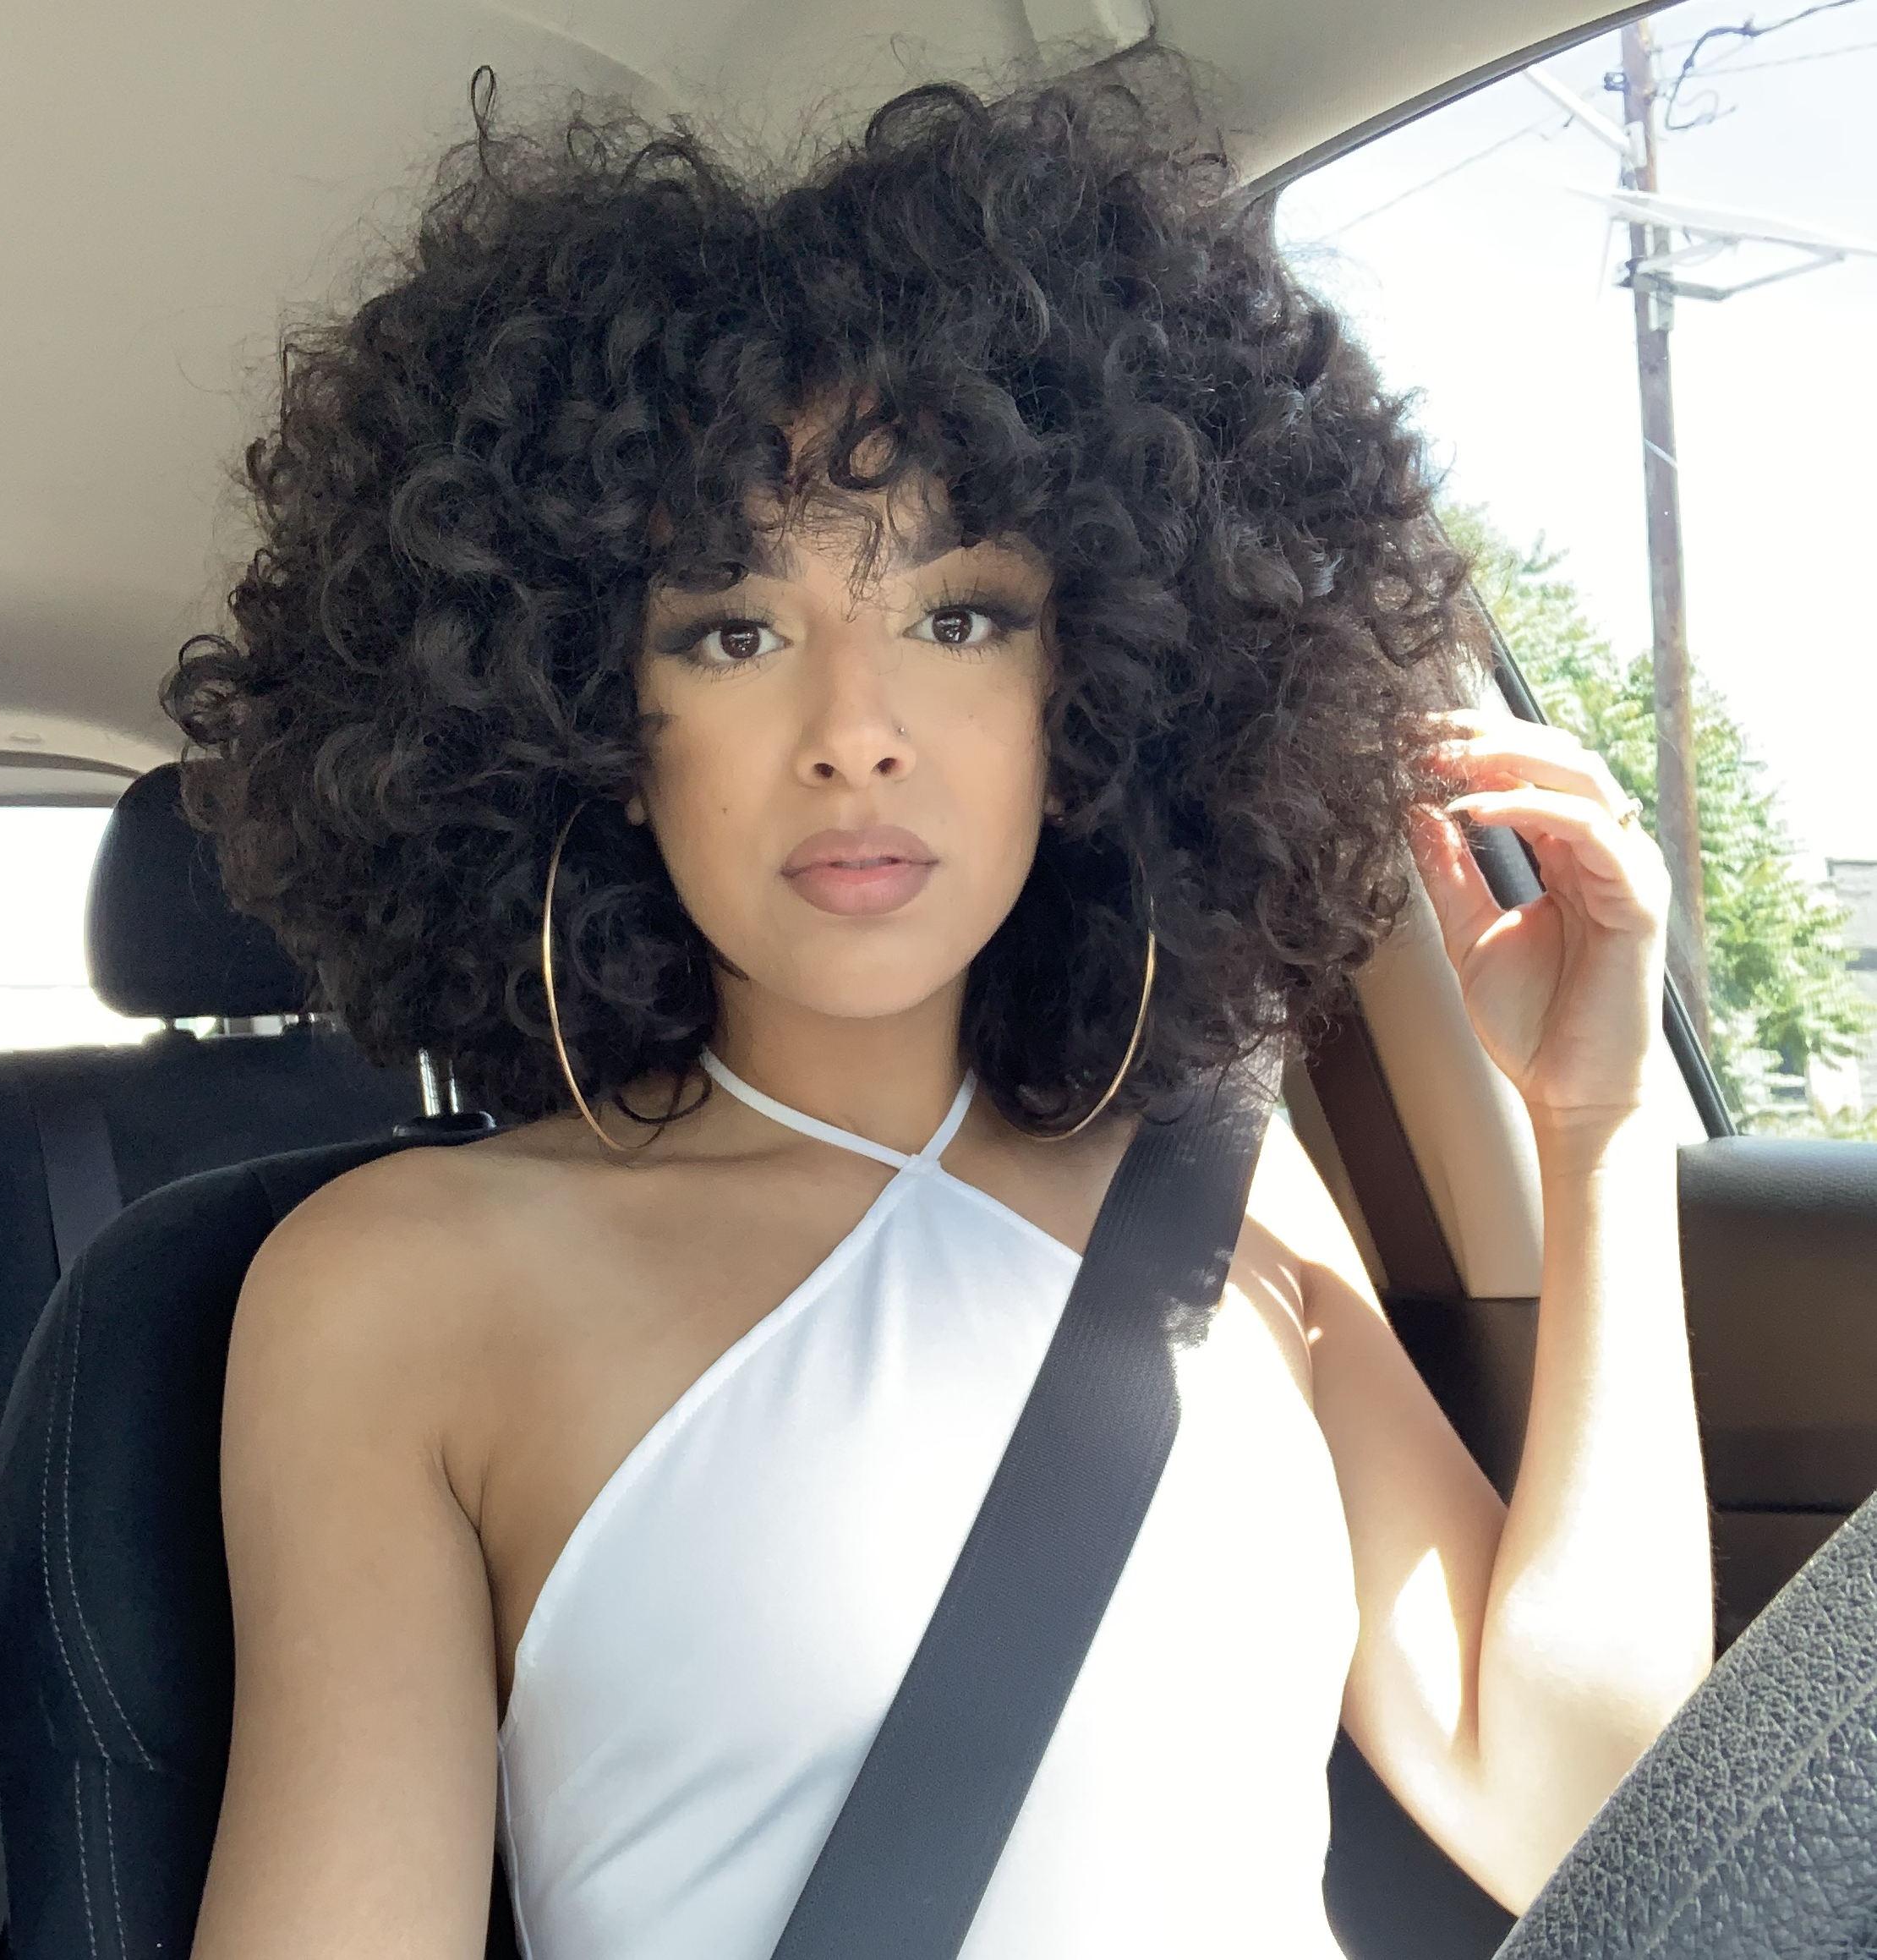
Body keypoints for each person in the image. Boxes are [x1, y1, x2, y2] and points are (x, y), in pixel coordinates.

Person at [168, 39, 1712, 1960]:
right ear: (591, 720)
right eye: (734, 629)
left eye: (958, 615)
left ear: (1095, 688)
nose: (857, 733)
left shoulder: (1224, 1186)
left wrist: (1599, 1130)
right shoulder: (393, 1287)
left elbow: (1583, 1810)